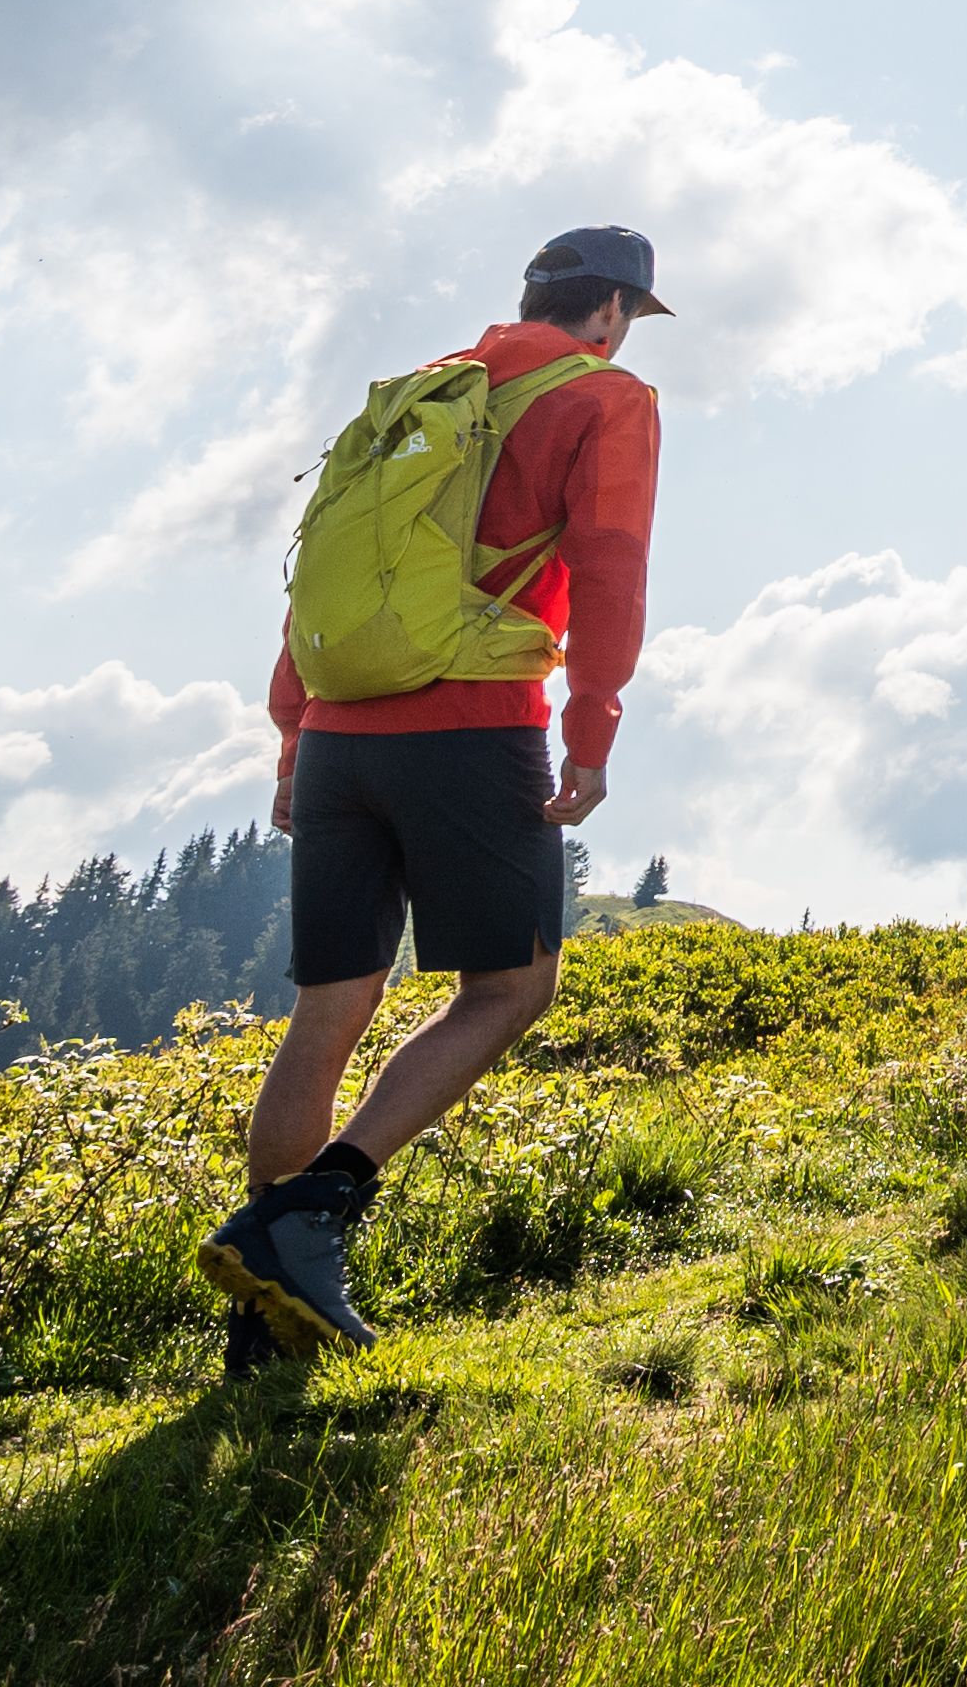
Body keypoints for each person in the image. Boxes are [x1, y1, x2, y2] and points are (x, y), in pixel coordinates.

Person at [200, 226, 671, 1360]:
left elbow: (328, 568)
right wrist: (593, 726)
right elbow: (610, 557)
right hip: (469, 721)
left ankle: (269, 1325)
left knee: (327, 1010)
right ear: (611, 307)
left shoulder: (421, 391)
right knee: (510, 986)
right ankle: (316, 1211)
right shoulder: (604, 396)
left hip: (337, 731)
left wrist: (292, 738)